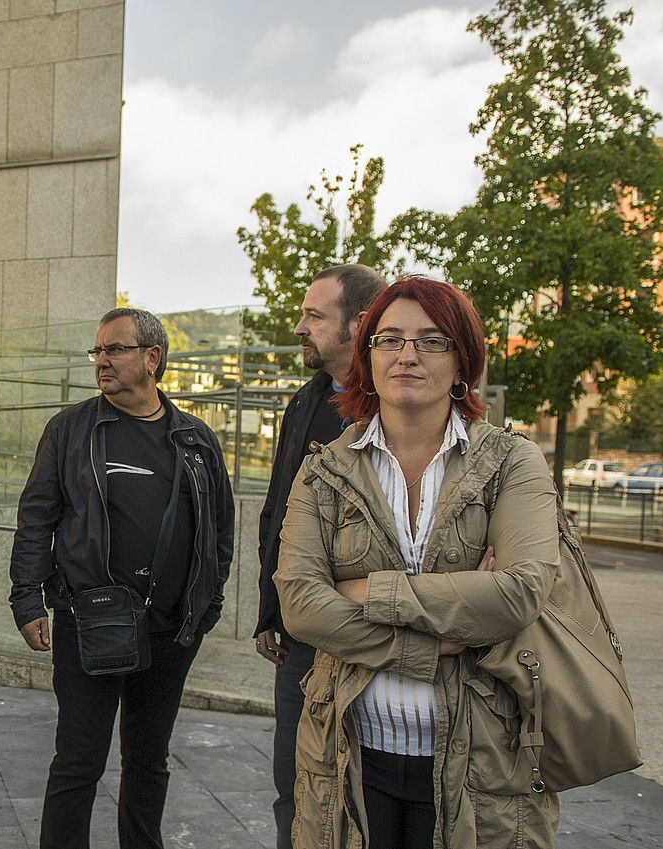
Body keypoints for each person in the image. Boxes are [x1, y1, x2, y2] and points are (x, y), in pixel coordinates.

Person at [276, 276, 561, 849]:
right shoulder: (325, 470)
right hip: (349, 753)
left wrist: (365, 592)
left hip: (482, 761)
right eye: (390, 339)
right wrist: (435, 637)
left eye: (432, 341)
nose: (407, 355)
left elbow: (520, 592)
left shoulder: (512, 463)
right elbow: (302, 605)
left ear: (462, 363)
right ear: (368, 357)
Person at [9, 307, 234, 849]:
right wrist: (27, 599)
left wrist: (206, 606)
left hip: (170, 630)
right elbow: (36, 516)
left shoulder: (195, 439)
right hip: (91, 623)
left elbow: (220, 531)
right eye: (98, 351)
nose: (102, 361)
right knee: (79, 761)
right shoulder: (70, 429)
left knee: (149, 762)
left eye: (115, 350)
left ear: (152, 358)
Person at [254, 263, 385, 849]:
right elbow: (278, 512)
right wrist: (269, 610)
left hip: (373, 633)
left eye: (314, 315)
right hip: (302, 636)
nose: (300, 327)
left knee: (369, 789)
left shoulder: (398, 403)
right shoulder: (304, 403)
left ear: (357, 324)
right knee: (298, 784)